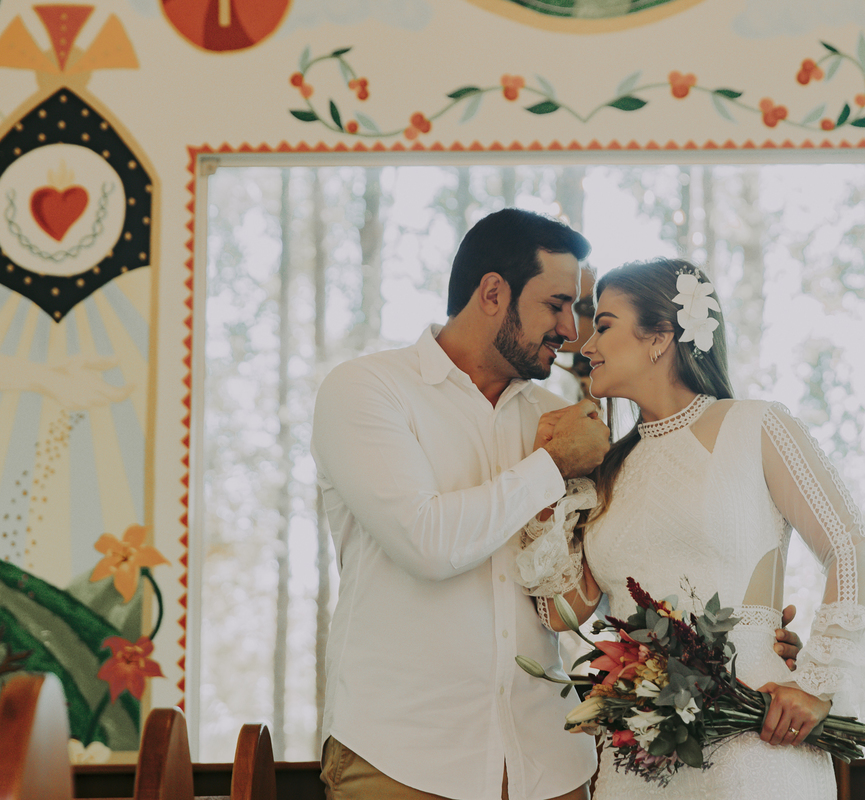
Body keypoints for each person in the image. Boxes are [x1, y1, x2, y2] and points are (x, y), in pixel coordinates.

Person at [310, 209, 807, 800]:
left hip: (547, 762)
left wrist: (735, 646)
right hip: (404, 758)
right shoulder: (368, 390)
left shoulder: (561, 415)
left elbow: (601, 585)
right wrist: (548, 467)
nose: (571, 332)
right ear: (493, 292)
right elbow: (427, 543)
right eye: (557, 305)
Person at [535, 258, 865, 798]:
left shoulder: (757, 425)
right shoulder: (603, 471)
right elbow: (562, 611)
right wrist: (547, 483)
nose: (586, 346)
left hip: (756, 738)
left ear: (661, 336)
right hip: (639, 756)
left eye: (604, 325)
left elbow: (853, 549)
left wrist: (817, 685)